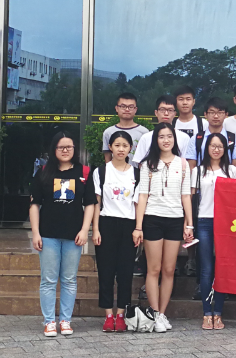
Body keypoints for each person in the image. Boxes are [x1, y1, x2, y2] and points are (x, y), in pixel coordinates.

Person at [29, 131, 96, 338]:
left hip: (73, 235)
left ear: (75, 149)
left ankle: (65, 320)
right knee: (48, 280)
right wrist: (35, 233)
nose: (65, 150)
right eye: (61, 147)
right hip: (48, 234)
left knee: (69, 279)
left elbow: (90, 204)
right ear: (54, 149)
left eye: (69, 147)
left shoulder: (84, 172)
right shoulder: (43, 172)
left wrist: (85, 230)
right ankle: (49, 321)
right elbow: (34, 204)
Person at [133, 123, 194, 333]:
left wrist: (189, 223)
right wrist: (138, 226)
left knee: (169, 269)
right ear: (155, 140)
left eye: (169, 136)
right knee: (154, 269)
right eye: (161, 136)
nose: (166, 140)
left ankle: (162, 314)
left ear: (174, 139)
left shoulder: (183, 164)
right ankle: (154, 311)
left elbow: (186, 195)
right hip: (152, 219)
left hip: (175, 219)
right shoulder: (147, 164)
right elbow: (142, 195)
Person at [92, 131, 141, 333]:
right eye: (117, 145)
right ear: (110, 147)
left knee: (125, 273)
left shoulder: (136, 173)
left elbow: (138, 204)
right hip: (106, 223)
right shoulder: (101, 171)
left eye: (125, 145)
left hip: (128, 225)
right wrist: (95, 229)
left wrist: (138, 228)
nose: (121, 149)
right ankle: (108, 315)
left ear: (130, 148)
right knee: (105, 272)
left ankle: (121, 314)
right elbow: (96, 203)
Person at [191, 132, 236, 330]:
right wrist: (189, 224)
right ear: (207, 148)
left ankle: (218, 313)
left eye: (220, 146)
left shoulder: (232, 170)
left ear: (225, 149)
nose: (216, 149)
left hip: (226, 223)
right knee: (206, 269)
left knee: (222, 268)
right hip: (203, 221)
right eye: (213, 146)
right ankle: (206, 313)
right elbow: (191, 199)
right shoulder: (198, 171)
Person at [133, 95, 195, 168]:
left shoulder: (184, 137)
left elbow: (186, 163)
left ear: (175, 114)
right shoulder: (146, 137)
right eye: (162, 110)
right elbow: (140, 163)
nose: (166, 113)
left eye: (170, 110)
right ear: (156, 112)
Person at [102, 92, 149, 163]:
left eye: (131, 107)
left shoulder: (144, 132)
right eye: (123, 106)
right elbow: (107, 157)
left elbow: (147, 156)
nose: (127, 109)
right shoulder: (108, 132)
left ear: (135, 109)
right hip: (115, 169)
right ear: (116, 108)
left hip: (137, 170)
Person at [173, 85, 205, 166]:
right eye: (181, 99)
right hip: (176, 167)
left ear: (193, 101)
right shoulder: (171, 123)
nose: (185, 103)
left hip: (198, 167)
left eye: (188, 99)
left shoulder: (203, 123)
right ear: (175, 102)